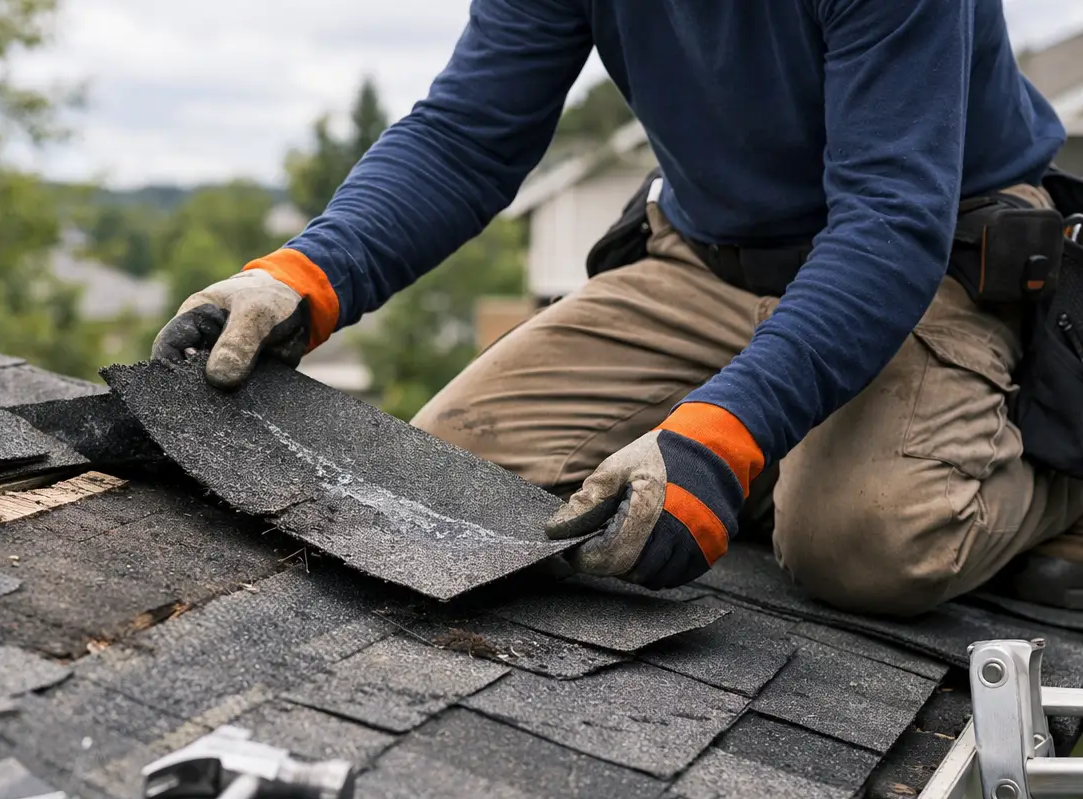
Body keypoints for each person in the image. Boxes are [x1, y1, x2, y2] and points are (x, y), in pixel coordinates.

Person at [151, 0, 1083, 616]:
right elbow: (467, 136)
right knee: (459, 476)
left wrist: (720, 440)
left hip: (924, 258)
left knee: (866, 542)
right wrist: (305, 277)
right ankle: (789, 450)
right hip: (707, 258)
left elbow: (886, 222)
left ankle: (1053, 483)